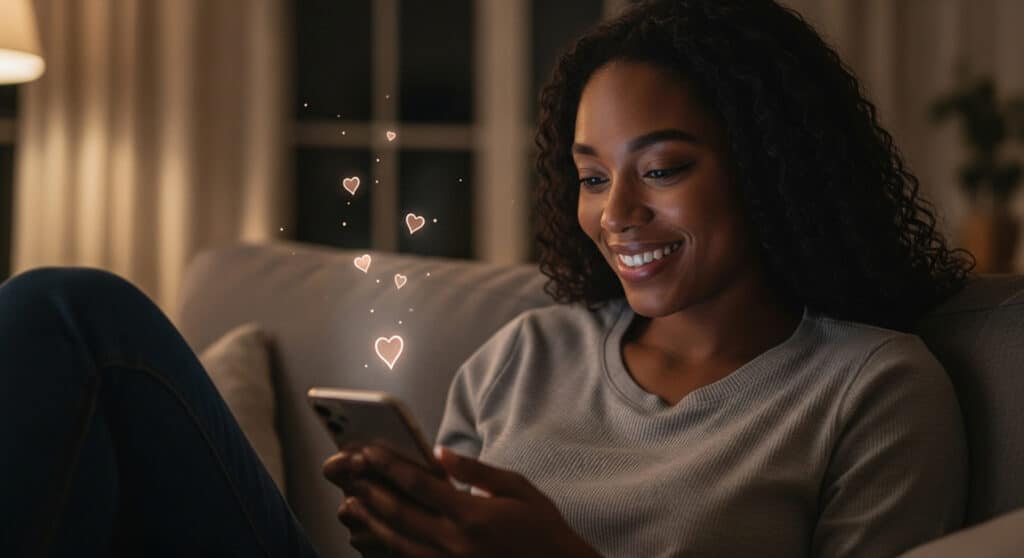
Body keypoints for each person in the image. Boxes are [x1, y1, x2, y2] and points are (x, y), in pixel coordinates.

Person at [1, 1, 973, 557]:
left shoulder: (872, 388)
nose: (614, 213)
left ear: (773, 167)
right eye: (591, 176)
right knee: (70, 309)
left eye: (663, 168)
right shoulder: (533, 348)